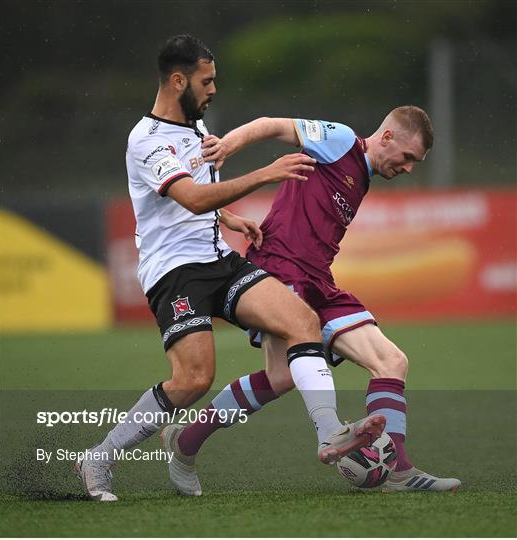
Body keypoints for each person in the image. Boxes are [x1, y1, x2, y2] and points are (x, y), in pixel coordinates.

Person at [75, 34, 385, 502]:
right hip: (175, 273)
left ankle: (330, 434)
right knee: (193, 380)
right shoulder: (146, 140)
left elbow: (198, 203)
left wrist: (230, 219)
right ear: (178, 80)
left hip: (220, 261)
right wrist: (265, 173)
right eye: (207, 81)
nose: (214, 89)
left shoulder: (198, 135)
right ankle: (99, 456)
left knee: (303, 320)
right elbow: (191, 196)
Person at [173, 107, 461, 493]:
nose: (408, 168)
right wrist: (227, 145)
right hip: (279, 271)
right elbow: (269, 125)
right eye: (408, 157)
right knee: (284, 375)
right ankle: (186, 442)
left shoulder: (363, 175)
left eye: (416, 163)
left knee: (391, 362)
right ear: (388, 137)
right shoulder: (340, 140)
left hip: (318, 282)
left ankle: (398, 471)